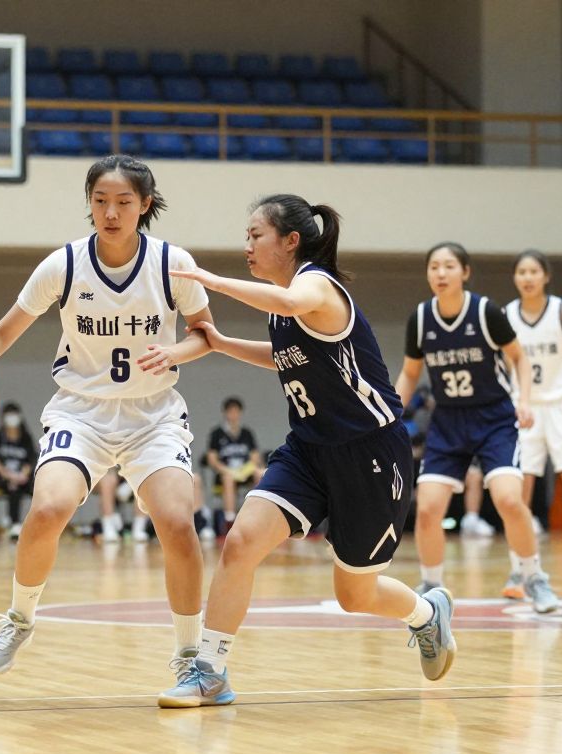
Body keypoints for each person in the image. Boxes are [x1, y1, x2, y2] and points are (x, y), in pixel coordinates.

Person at [158, 194, 456, 708]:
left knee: (354, 595)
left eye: (256, 236)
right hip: (309, 450)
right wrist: (221, 341)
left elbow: (294, 305)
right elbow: (286, 358)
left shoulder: (314, 285)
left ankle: (427, 615)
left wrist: (212, 283)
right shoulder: (282, 301)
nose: (247, 245)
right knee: (241, 541)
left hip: (370, 454)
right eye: (246, 237)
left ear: (290, 240)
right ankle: (209, 670)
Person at [0, 154, 214, 685]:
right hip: (82, 412)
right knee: (49, 508)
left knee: (176, 523)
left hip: (153, 416)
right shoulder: (64, 265)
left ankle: (191, 655)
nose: (111, 212)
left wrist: (176, 354)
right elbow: (5, 331)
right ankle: (19, 618)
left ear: (145, 205)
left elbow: (203, 334)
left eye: (124, 202)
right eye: (100, 201)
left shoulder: (173, 263)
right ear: (89, 204)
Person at [393, 242, 558, 611]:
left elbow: (519, 356)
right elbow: (410, 372)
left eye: (449, 266)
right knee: (427, 508)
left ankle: (534, 577)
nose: (440, 273)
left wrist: (525, 401)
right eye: (433, 266)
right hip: (448, 422)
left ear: (464, 272)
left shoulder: (485, 312)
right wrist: (390, 415)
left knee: (508, 499)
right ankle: (432, 587)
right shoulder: (421, 319)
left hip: (494, 418)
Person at [506, 249, 562, 543]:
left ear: (546, 276)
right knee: (518, 493)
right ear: (515, 278)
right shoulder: (506, 316)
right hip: (524, 408)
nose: (527, 278)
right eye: (522, 272)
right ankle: (522, 569)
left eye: (534, 272)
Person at [205, 396, 263, 531]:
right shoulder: (217, 433)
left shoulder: (247, 433)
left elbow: (255, 456)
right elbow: (212, 459)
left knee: (261, 473)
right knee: (228, 478)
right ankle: (230, 520)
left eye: (236, 411)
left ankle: (259, 514)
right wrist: (227, 470)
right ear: (225, 413)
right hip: (226, 473)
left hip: (245, 471)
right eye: (231, 411)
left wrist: (246, 469)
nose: (234, 415)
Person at [0, 402, 38, 541]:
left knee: (37, 488)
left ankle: (35, 527)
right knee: (13, 487)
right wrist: (9, 475)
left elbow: (31, 460)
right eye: (9, 415)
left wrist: (22, 475)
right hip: (2, 479)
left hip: (23, 478)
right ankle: (15, 524)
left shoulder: (26, 438)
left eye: (14, 414)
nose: (12, 418)